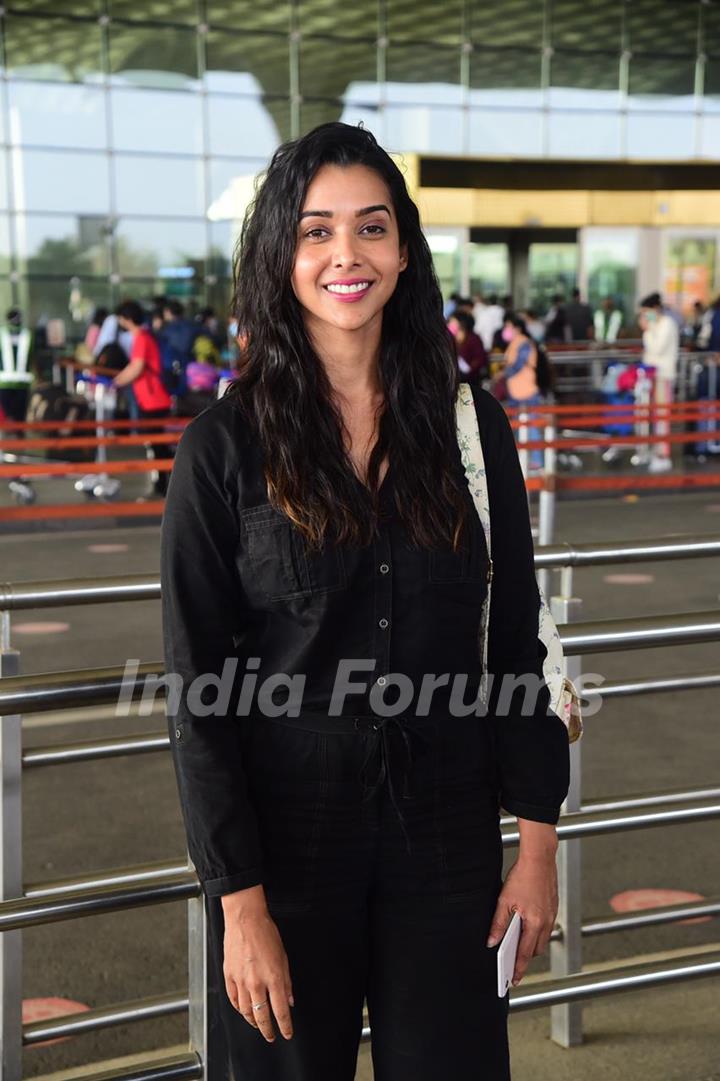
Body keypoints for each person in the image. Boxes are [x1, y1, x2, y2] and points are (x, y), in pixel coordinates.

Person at [161, 122, 570, 1081]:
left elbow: (514, 641)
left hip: (448, 832)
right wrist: (240, 902)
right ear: (281, 254)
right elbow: (198, 693)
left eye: (372, 228)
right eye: (316, 231)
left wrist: (538, 843)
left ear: (404, 250)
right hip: (287, 843)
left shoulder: (472, 429)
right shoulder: (222, 448)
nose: (347, 254)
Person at [112, 299, 173, 496]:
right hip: (152, 397)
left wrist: (117, 382)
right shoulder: (144, 337)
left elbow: (137, 368)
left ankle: (165, 484)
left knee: (157, 443)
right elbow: (134, 367)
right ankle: (165, 482)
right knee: (157, 443)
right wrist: (119, 379)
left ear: (127, 318)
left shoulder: (141, 338)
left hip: (153, 398)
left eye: (121, 318)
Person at [499, 311, 549, 471]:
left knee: (531, 426)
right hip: (517, 391)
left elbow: (517, 366)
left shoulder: (524, 343)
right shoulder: (515, 343)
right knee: (519, 426)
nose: (505, 329)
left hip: (526, 391)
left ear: (517, 328)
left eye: (508, 326)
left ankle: (537, 461)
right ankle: (523, 460)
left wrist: (501, 374)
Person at [639, 292, 679, 473]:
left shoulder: (667, 325)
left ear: (655, 309)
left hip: (663, 375)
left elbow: (656, 348)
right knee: (654, 415)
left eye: (647, 312)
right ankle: (654, 451)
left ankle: (663, 455)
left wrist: (648, 330)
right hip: (652, 376)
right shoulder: (657, 325)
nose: (645, 316)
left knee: (662, 416)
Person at [447, 308, 488, 383]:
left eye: (453, 321)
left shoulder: (473, 339)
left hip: (470, 380)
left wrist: (469, 370)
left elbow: (480, 359)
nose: (450, 324)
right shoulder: (450, 338)